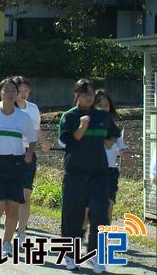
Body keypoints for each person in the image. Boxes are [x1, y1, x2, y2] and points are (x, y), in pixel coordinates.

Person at [58, 79, 120, 273]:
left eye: (91, 94)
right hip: (75, 173)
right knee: (73, 216)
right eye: (84, 94)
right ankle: (70, 254)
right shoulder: (69, 117)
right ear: (77, 95)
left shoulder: (102, 116)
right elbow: (68, 140)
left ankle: (95, 255)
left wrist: (109, 141)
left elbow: (114, 132)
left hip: (99, 173)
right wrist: (82, 126)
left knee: (100, 213)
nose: (89, 98)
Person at [0, 77, 37, 257]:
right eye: (6, 90)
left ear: (17, 94)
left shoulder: (23, 117)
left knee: (12, 208)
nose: (10, 94)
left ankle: (7, 243)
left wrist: (28, 153)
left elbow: (32, 139)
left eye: (13, 91)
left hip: (16, 164)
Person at [9, 76, 51, 249]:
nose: (24, 94)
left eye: (27, 90)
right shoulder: (7, 108)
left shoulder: (33, 109)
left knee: (26, 195)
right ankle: (6, 226)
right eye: (21, 90)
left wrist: (44, 142)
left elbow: (36, 129)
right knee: (11, 195)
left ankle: (21, 232)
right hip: (10, 153)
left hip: (28, 153)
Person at [94, 89, 127, 224]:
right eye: (99, 105)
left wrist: (124, 153)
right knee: (90, 207)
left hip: (110, 171)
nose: (103, 108)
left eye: (106, 105)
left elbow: (121, 148)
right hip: (92, 170)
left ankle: (103, 238)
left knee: (109, 204)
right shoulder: (88, 126)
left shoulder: (115, 129)